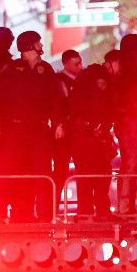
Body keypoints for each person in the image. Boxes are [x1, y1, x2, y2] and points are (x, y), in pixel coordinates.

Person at [0, 31, 65, 221]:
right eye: (38, 42)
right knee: (14, 173)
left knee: (42, 174)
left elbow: (55, 99)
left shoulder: (46, 70)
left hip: (39, 130)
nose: (41, 46)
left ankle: (45, 217)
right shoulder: (12, 69)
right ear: (30, 46)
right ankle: (15, 215)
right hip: (15, 130)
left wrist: (57, 123)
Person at [66, 54, 119, 218]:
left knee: (85, 176)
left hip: (83, 135)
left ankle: (84, 212)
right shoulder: (101, 79)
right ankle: (102, 211)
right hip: (92, 135)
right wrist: (99, 127)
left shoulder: (84, 79)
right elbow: (105, 107)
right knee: (101, 175)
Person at [113, 33, 137, 215]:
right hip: (131, 120)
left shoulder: (132, 70)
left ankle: (127, 206)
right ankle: (125, 206)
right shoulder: (130, 72)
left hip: (135, 120)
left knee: (133, 164)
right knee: (131, 163)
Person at [52, 49, 84, 208]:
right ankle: (53, 208)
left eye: (80, 63)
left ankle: (84, 209)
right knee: (60, 172)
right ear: (66, 64)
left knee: (83, 170)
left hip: (78, 131)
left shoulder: (82, 80)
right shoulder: (59, 81)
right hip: (65, 131)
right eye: (76, 64)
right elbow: (58, 105)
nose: (80, 67)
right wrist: (60, 124)